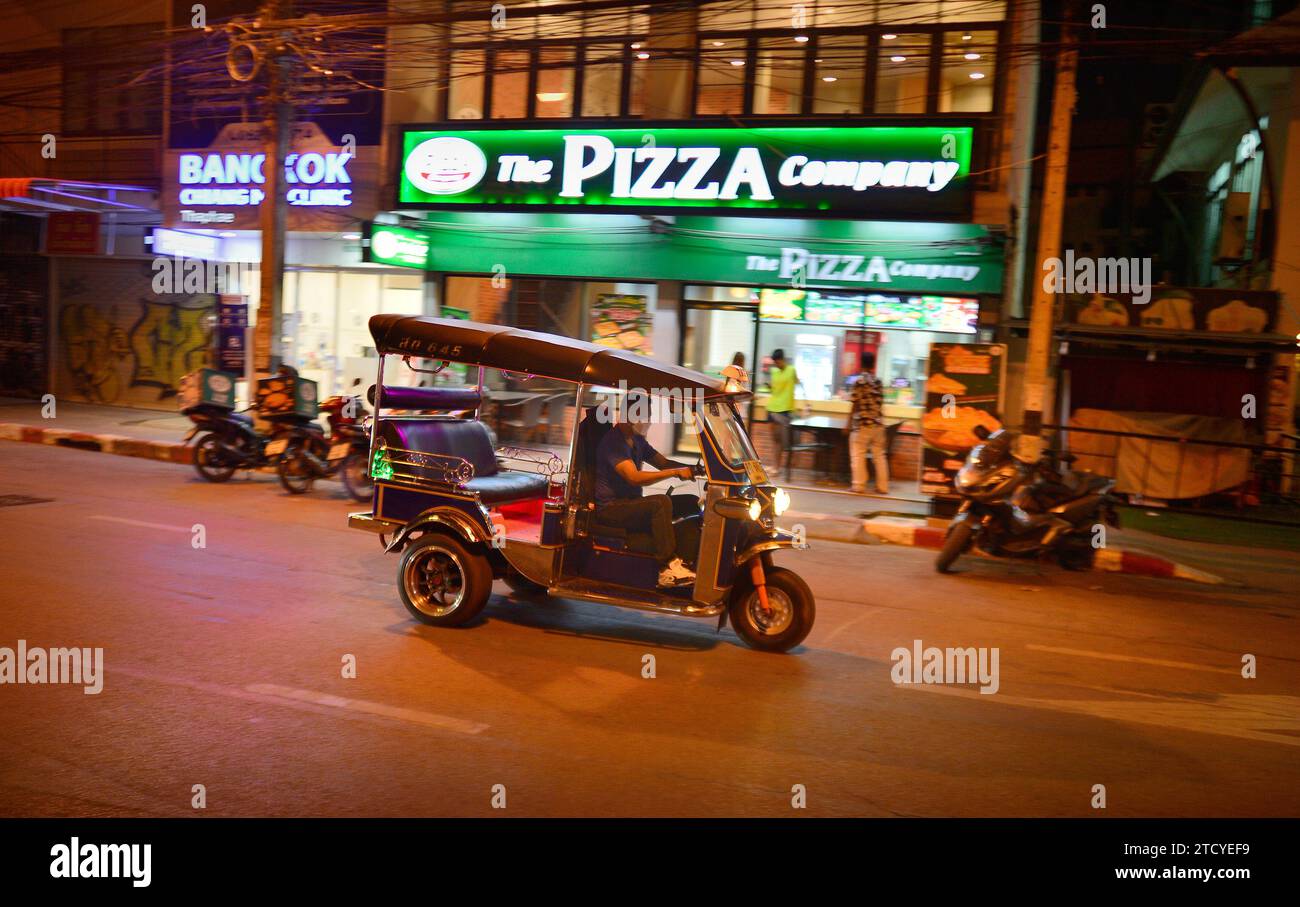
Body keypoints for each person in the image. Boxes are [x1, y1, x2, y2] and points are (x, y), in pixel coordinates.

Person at [594, 398, 699, 587]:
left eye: (649, 415)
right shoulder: (613, 442)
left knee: (690, 501)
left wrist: (693, 468)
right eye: (644, 415)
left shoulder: (637, 440)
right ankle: (666, 567)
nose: (648, 420)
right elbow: (633, 477)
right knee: (660, 503)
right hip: (611, 508)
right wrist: (675, 472)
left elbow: (663, 463)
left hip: (630, 503)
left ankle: (688, 556)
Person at [848, 350, 889, 495]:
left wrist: (848, 424)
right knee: (879, 456)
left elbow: (855, 404)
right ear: (873, 364)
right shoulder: (878, 382)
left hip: (864, 424)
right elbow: (880, 402)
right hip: (878, 424)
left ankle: (859, 486)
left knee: (858, 454)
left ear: (861, 363)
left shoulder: (859, 381)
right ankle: (882, 487)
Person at [765, 348, 802, 464]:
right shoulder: (774, 372)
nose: (776, 364)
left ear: (783, 359)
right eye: (775, 362)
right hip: (771, 409)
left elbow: (798, 383)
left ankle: (777, 467)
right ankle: (775, 466)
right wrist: (769, 386)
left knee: (781, 441)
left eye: (778, 362)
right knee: (775, 440)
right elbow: (773, 387)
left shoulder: (792, 370)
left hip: (784, 410)